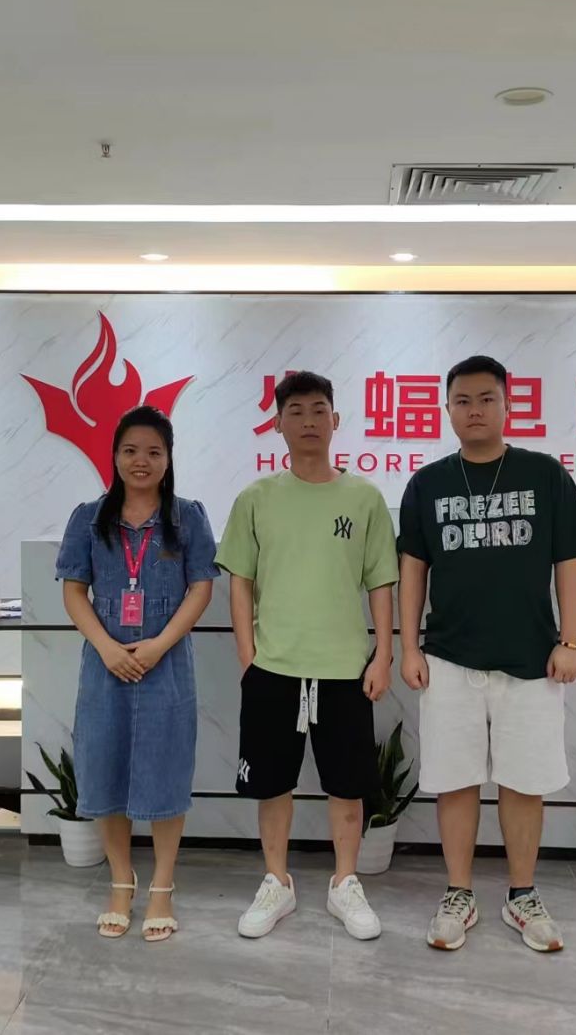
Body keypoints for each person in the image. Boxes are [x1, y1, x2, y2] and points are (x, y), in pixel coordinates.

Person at [397, 355, 576, 953]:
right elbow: (412, 571)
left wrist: (570, 641)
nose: (475, 410)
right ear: (447, 410)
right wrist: (409, 647)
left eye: (487, 399)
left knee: (524, 782)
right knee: (455, 781)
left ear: (508, 406)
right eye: (462, 401)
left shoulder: (546, 475)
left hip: (531, 659)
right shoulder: (427, 484)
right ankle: (458, 894)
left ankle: (521, 894)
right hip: (449, 659)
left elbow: (569, 564)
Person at [216, 371, 399, 941]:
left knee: (348, 786)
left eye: (319, 410)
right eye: (295, 411)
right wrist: (247, 656)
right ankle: (278, 882)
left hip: (345, 668)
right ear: (278, 424)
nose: (309, 421)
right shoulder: (256, 499)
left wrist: (383, 654)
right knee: (273, 785)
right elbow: (240, 582)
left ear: (336, 420)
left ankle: (345, 882)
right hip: (273, 668)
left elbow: (381, 582)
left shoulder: (364, 499)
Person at [55, 406, 219, 943]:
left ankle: (163, 886)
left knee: (166, 772)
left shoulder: (188, 517)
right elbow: (73, 591)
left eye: (153, 451)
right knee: (105, 770)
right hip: (105, 666)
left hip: (166, 666)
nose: (141, 461)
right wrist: (107, 647)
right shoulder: (88, 517)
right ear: (115, 456)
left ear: (168, 458)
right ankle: (121, 883)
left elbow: (201, 589)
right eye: (130, 451)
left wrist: (157, 646)